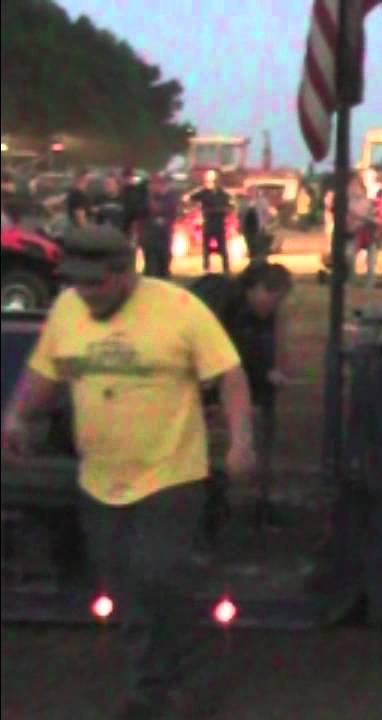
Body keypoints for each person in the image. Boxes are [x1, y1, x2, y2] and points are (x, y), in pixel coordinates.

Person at [1, 224, 255, 719]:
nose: (84, 293)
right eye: (76, 282)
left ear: (125, 273)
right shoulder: (67, 311)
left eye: (95, 284)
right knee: (125, 588)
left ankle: (192, 682)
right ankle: (148, 689)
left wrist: (241, 441)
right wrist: (17, 416)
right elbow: (43, 376)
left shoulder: (179, 310)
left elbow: (231, 375)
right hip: (101, 478)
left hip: (169, 476)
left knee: (161, 575)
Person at [202, 262, 296, 530]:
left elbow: (271, 346)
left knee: (255, 446)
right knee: (216, 449)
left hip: (255, 387)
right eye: (272, 297)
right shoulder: (224, 308)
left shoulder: (261, 314)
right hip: (218, 389)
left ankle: (257, 503)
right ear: (254, 289)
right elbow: (229, 357)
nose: (274, 307)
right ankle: (212, 507)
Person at [187, 170, 233, 274]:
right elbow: (190, 198)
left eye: (214, 181)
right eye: (210, 181)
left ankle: (226, 268)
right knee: (206, 248)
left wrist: (225, 210)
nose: (212, 183)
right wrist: (195, 209)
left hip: (219, 222)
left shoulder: (222, 193)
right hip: (208, 222)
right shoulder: (203, 192)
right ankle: (206, 268)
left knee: (222, 247)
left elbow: (230, 205)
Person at [141, 174, 179, 278]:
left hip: (164, 238)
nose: (155, 187)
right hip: (150, 238)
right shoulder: (146, 199)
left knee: (164, 267)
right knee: (150, 267)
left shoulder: (170, 198)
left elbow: (167, 212)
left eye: (159, 184)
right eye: (153, 184)